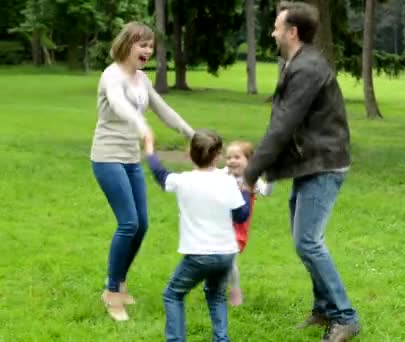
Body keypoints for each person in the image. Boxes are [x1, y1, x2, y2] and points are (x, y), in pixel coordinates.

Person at [242, 2, 360, 341]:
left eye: (277, 26)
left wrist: (251, 173)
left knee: (308, 242)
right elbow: (285, 125)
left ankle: (346, 316)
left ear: (292, 32)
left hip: (324, 164)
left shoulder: (307, 68)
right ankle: (324, 308)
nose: (273, 31)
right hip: (311, 163)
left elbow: (282, 126)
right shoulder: (296, 62)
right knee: (303, 241)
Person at [90, 21, 195, 321]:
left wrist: (192, 134)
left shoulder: (142, 80)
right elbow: (119, 104)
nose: (148, 50)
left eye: (151, 46)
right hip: (107, 156)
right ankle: (111, 293)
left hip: (130, 159)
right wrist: (141, 126)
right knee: (128, 223)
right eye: (142, 44)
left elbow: (164, 110)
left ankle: (120, 283)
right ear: (127, 44)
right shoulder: (112, 75)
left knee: (143, 224)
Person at [144, 129, 250, 342]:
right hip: (226, 254)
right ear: (218, 155)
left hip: (198, 255)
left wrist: (149, 150)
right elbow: (241, 216)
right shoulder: (227, 181)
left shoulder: (182, 180)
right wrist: (246, 189)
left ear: (189, 154)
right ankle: (222, 339)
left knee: (173, 295)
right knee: (216, 295)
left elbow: (159, 174)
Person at [222, 140, 273, 306]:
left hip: (238, 228)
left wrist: (272, 177)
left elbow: (266, 192)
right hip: (219, 226)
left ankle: (235, 290)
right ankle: (218, 287)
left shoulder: (252, 180)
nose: (231, 161)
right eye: (228, 157)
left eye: (237, 157)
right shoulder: (222, 175)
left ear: (249, 161)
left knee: (229, 260)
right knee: (218, 259)